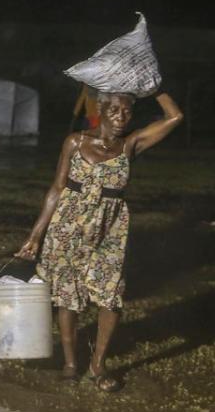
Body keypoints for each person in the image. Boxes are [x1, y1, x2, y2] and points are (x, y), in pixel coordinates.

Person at [16, 90, 183, 391]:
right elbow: (56, 188)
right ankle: (70, 363)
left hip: (111, 228)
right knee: (69, 296)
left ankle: (97, 365)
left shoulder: (130, 144)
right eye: (115, 110)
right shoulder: (76, 142)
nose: (121, 118)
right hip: (68, 224)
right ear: (101, 109)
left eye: (127, 112)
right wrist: (35, 235)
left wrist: (154, 87)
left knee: (111, 296)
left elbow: (175, 117)